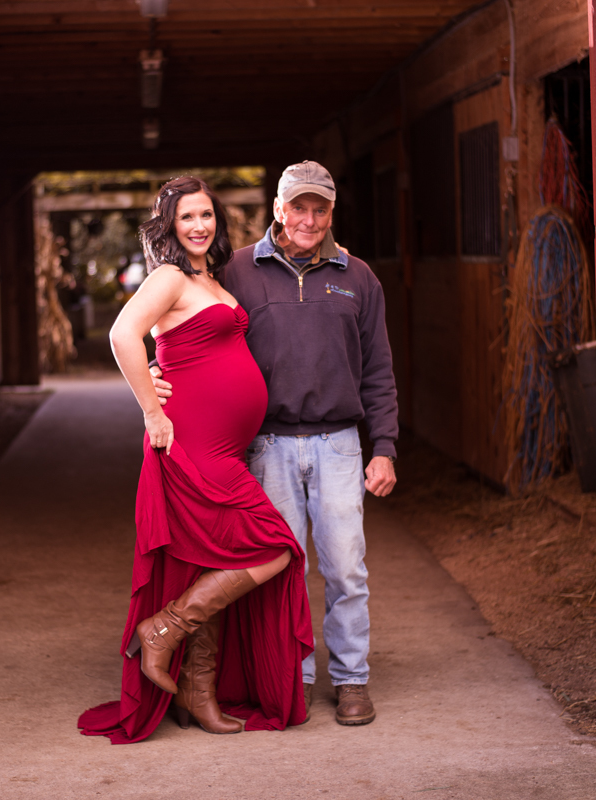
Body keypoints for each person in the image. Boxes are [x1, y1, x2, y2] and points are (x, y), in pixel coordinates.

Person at [152, 161, 398, 726]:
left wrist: (382, 445)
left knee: (346, 569)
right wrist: (158, 367)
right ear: (278, 210)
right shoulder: (238, 269)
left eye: (321, 208)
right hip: (266, 446)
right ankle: (293, 677)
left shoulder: (357, 277)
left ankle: (352, 680)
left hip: (339, 444)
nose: (309, 219)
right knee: (277, 567)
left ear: (332, 212)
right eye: (299, 207)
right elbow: (191, 320)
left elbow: (379, 370)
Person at [78, 177, 313, 744]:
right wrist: (151, 411)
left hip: (226, 445)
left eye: (206, 215)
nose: (199, 226)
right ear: (169, 225)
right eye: (187, 217)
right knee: (275, 547)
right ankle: (162, 630)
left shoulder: (214, 278)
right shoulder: (168, 277)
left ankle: (196, 690)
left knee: (213, 556)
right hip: (190, 442)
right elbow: (122, 334)